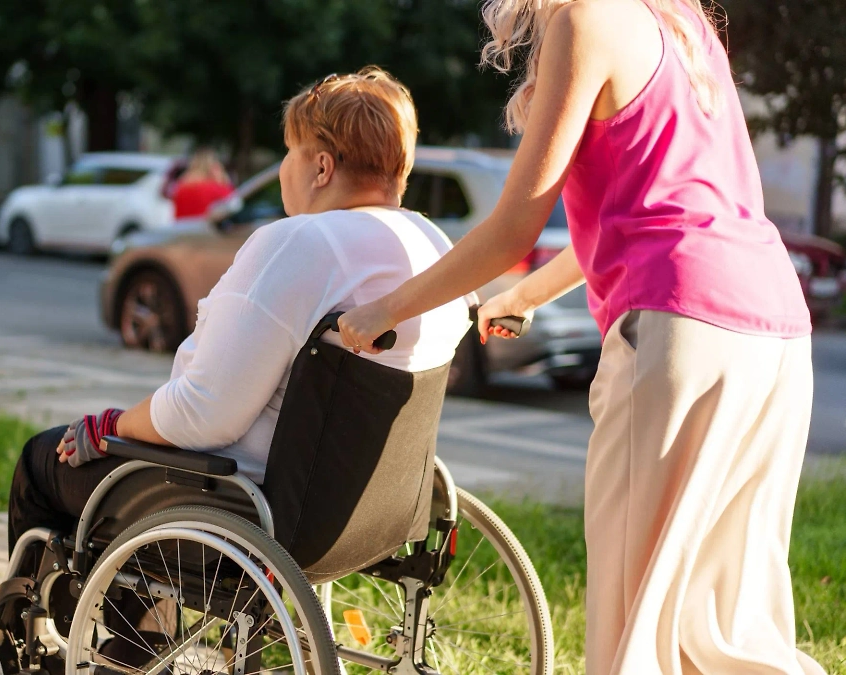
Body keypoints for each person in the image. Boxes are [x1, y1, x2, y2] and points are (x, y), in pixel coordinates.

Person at [338, 1, 824, 674]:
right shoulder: (682, 24)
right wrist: (526, 294)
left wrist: (385, 309)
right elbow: (659, 202)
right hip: (774, 329)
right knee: (729, 623)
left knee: (636, 623)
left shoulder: (585, 20)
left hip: (681, 323)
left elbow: (513, 228)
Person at [7, 66, 471, 670]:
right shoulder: (433, 247)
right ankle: (130, 641)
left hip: (246, 504)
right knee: (134, 469)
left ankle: (51, 648)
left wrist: (110, 424)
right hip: (375, 511)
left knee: (44, 462)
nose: (283, 169)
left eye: (289, 152)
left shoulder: (300, 243)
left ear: (321, 167)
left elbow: (202, 415)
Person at [170, 148, 235, 218]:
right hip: (203, 224)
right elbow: (234, 202)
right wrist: (220, 179)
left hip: (181, 224)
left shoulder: (181, 184)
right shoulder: (214, 188)